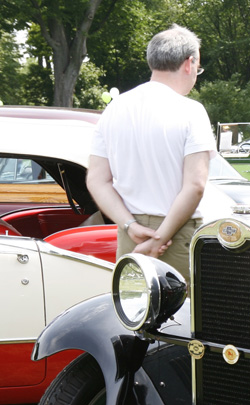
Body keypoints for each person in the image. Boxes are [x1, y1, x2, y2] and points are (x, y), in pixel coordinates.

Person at [86, 25, 214, 275]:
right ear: (189, 64)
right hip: (176, 235)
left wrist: (129, 225)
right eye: (198, 69)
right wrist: (159, 238)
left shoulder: (113, 109)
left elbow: (97, 180)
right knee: (184, 312)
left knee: (135, 310)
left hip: (130, 234)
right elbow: (195, 185)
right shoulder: (191, 111)